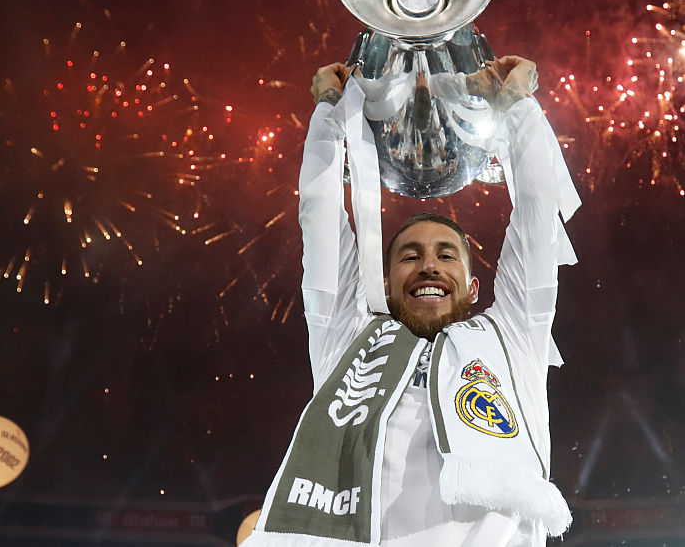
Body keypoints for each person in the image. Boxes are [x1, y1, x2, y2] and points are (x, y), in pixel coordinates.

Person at [245, 56, 579, 546]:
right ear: (383, 282)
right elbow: (318, 215)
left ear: (472, 288)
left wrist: (518, 106)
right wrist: (327, 115)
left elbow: (537, 209)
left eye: (447, 255)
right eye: (410, 255)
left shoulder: (513, 337)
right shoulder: (347, 338)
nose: (428, 265)